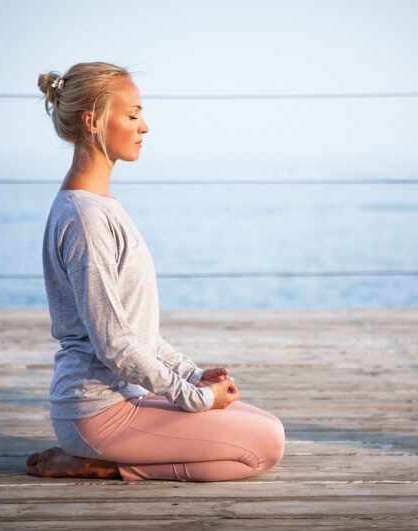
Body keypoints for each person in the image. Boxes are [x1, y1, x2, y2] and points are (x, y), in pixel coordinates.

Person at [25, 62, 285, 482]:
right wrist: (196, 399)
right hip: (98, 413)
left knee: (265, 427)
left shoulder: (101, 206)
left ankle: (108, 456)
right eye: (132, 115)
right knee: (264, 447)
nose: (144, 127)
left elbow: (134, 331)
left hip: (125, 400)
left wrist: (193, 374)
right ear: (92, 122)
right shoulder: (85, 217)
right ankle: (104, 465)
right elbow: (115, 346)